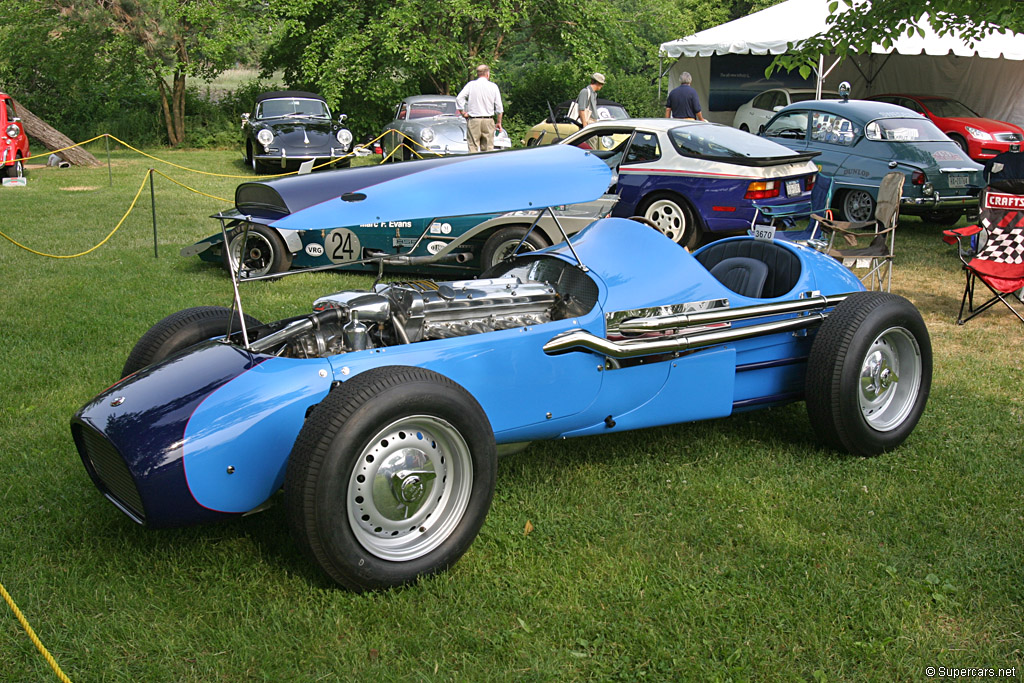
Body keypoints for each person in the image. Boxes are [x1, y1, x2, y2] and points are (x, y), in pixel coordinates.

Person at [455, 64, 504, 153]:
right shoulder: (493, 86)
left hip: (474, 120)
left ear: (478, 74)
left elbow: (459, 98)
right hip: (488, 120)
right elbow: (499, 107)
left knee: (473, 148)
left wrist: (462, 112)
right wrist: (499, 122)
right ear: (487, 74)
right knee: (488, 149)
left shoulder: (471, 85)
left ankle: (473, 166)